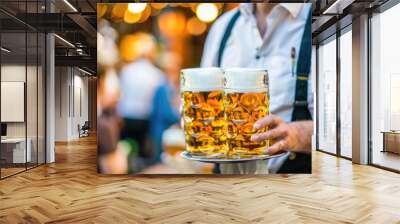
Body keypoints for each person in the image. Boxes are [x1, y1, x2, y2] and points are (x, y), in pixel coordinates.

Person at [201, 3, 313, 173]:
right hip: (226, 187)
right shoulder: (223, 26)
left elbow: (354, 132)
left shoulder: (323, 19)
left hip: (295, 190)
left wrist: (298, 135)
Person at [117, 33, 163, 162]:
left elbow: (120, 94)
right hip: (145, 117)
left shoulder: (126, 71)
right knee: (142, 152)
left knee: (127, 149)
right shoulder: (157, 74)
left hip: (127, 115)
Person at [149, 52, 181, 163]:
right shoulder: (162, 88)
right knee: (161, 162)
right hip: (161, 131)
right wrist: (181, 119)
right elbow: (166, 113)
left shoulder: (171, 87)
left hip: (166, 130)